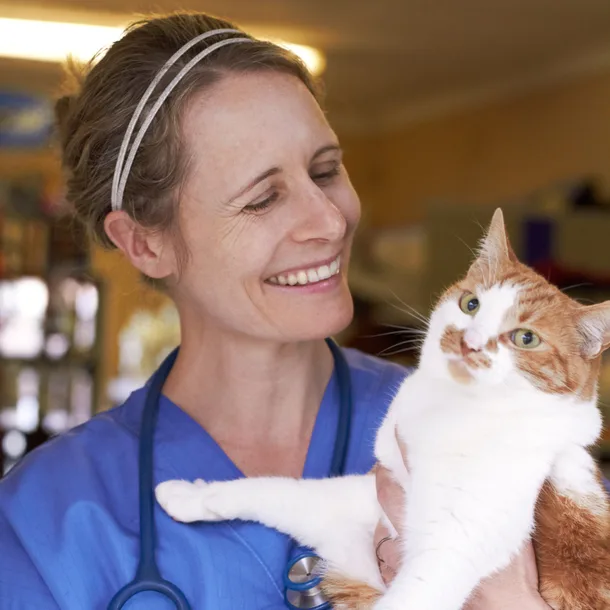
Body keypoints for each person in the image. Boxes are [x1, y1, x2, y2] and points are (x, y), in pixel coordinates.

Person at [0, 12, 564, 609]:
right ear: (145, 242)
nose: (330, 219)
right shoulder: (46, 520)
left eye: (326, 171)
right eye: (263, 199)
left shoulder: (504, 436)